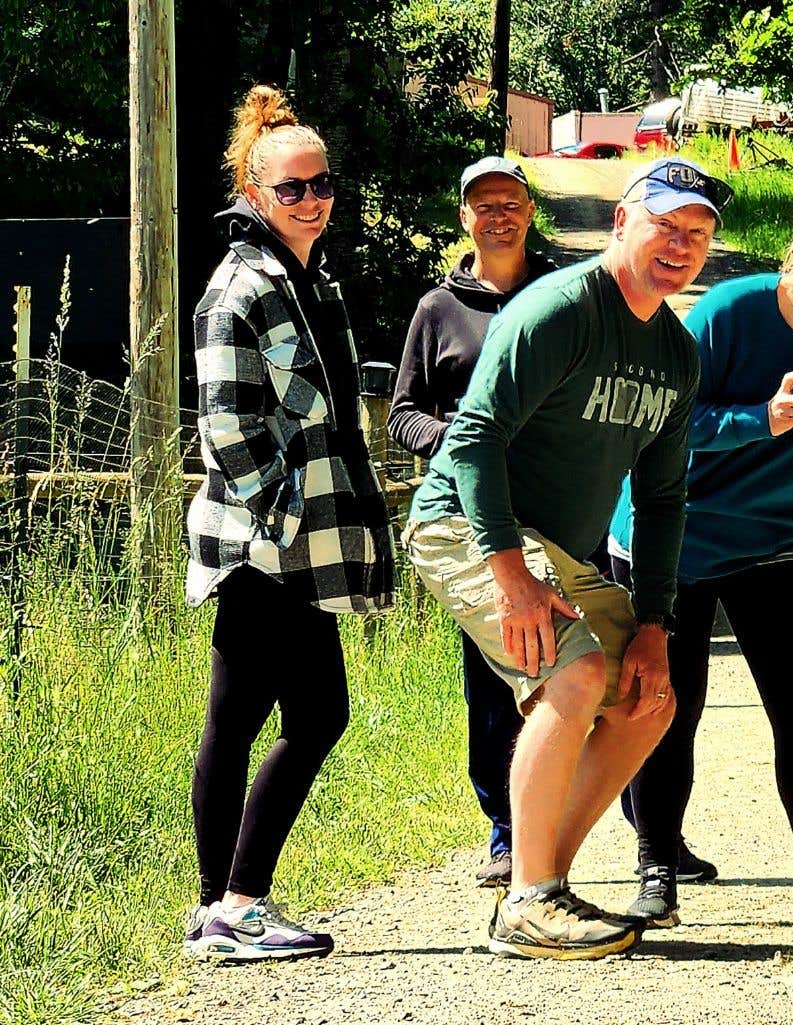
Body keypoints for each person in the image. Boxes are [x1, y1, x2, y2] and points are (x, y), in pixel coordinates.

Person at [403, 157, 729, 960]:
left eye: (696, 234)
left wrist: (653, 623)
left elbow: (661, 502)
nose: (678, 244)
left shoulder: (676, 357)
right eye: (665, 224)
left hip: (559, 547)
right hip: (466, 525)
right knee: (575, 672)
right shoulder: (559, 309)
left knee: (649, 695)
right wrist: (510, 576)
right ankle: (528, 896)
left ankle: (548, 884)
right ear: (622, 223)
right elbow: (474, 438)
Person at [609, 183, 793, 932]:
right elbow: (662, 425)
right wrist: (761, 418)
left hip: (780, 538)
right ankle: (655, 871)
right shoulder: (728, 313)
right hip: (670, 530)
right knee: (664, 709)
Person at [183, 85, 395, 960]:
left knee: (248, 719)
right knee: (307, 715)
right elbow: (225, 429)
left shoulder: (310, 279)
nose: (313, 201)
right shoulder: (240, 285)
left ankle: (220, 908)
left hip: (298, 537)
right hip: (265, 542)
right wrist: (277, 518)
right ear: (254, 191)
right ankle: (232, 904)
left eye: (323, 185)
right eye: (293, 189)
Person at [389, 156, 560, 888]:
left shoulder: (562, 295)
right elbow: (401, 414)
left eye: (511, 202)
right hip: (469, 522)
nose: (498, 215)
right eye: (483, 204)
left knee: (582, 664)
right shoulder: (437, 309)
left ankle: (644, 830)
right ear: (464, 217)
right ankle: (505, 833)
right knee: (493, 681)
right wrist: (456, 445)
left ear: (528, 212)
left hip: (555, 507)